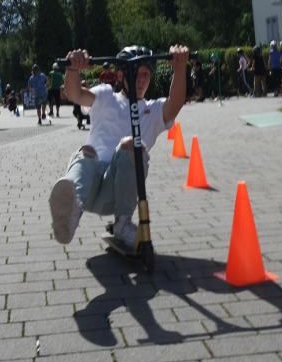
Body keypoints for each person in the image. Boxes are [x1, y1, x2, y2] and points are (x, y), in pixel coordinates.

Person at [48, 44, 189, 250]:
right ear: (121, 75)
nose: (140, 80)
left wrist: (180, 67)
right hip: (89, 186)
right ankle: (70, 213)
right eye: (135, 74)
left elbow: (175, 103)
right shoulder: (105, 96)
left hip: (118, 194)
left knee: (131, 144)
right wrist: (73, 68)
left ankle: (123, 224)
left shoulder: (152, 111)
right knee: (87, 151)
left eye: (145, 74)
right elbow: (75, 94)